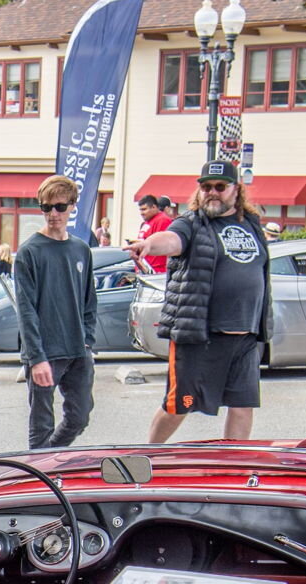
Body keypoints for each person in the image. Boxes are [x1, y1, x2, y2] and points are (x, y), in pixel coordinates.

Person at [125, 159, 272, 443]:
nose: (212, 192)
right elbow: (172, 240)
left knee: (242, 406)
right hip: (200, 335)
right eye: (206, 187)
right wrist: (149, 245)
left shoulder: (251, 224)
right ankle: (148, 454)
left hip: (245, 335)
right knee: (180, 405)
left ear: (236, 189)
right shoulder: (191, 223)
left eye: (220, 186)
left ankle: (233, 465)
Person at [12, 175, 97, 449]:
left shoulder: (81, 249)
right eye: (46, 207)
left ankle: (50, 459)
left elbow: (89, 300)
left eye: (60, 207)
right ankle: (41, 468)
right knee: (41, 427)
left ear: (72, 206)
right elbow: (25, 309)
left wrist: (88, 341)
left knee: (80, 417)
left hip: (78, 349)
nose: (53, 214)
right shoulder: (29, 252)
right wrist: (36, 358)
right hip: (45, 351)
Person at [135, 195, 173, 273]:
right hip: (145, 268)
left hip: (156, 270)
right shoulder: (147, 222)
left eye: (144, 209)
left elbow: (161, 246)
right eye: (140, 210)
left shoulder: (162, 220)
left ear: (154, 207)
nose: (141, 213)